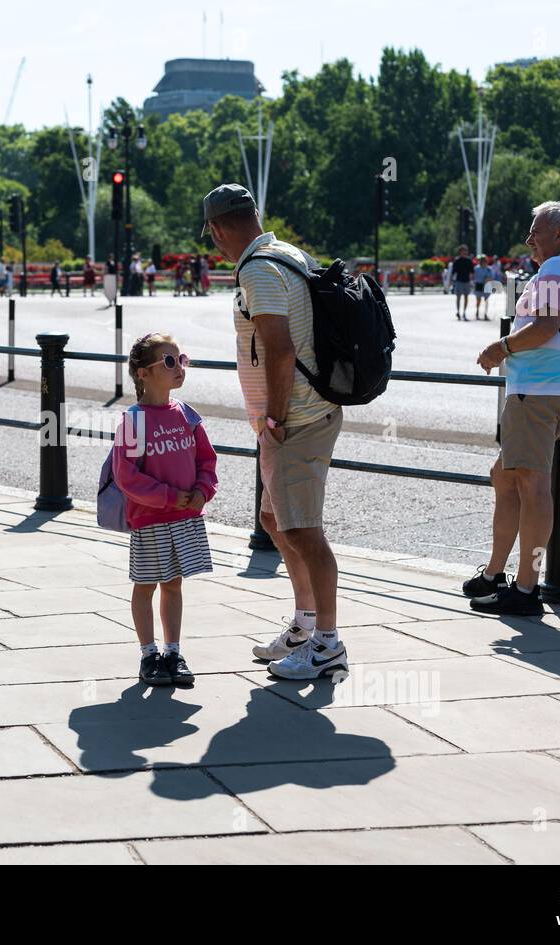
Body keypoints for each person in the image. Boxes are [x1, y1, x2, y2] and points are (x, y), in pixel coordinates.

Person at [203, 182, 348, 681]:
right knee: (274, 520)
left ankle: (328, 643)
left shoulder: (258, 270)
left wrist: (277, 419)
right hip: (302, 413)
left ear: (216, 229)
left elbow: (281, 350)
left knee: (303, 531)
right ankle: (306, 624)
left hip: (297, 419)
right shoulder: (284, 252)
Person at [466, 201, 560, 615]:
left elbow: (545, 327)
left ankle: (525, 590)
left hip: (536, 392)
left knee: (533, 487)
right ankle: (495, 574)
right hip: (553, 389)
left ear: (559, 234)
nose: (529, 240)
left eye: (535, 231)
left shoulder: (557, 268)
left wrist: (498, 348)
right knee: (504, 476)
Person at [114, 332, 218, 687]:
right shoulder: (134, 421)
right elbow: (126, 476)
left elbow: (207, 460)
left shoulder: (186, 415)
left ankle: (172, 652)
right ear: (143, 373)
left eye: (182, 360)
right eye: (169, 362)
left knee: (173, 584)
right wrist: (170, 497)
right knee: (145, 585)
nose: (179, 368)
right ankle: (148, 654)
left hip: (185, 518)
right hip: (151, 518)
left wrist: (204, 491)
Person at [450, 245, 474, 320]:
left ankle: (464, 312)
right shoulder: (457, 260)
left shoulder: (469, 260)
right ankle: (458, 311)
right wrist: (451, 281)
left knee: (466, 297)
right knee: (458, 297)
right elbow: (453, 272)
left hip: (467, 281)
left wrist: (472, 280)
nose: (463, 252)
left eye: (465, 250)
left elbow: (472, 272)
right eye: (462, 251)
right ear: (460, 252)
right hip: (459, 281)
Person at [472, 255, 493, 320]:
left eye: (485, 261)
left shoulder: (489, 269)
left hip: (486, 286)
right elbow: (473, 277)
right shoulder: (476, 268)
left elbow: (491, 278)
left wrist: (487, 279)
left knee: (486, 300)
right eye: (482, 261)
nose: (483, 262)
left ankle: (485, 314)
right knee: (478, 300)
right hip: (478, 285)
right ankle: (477, 312)